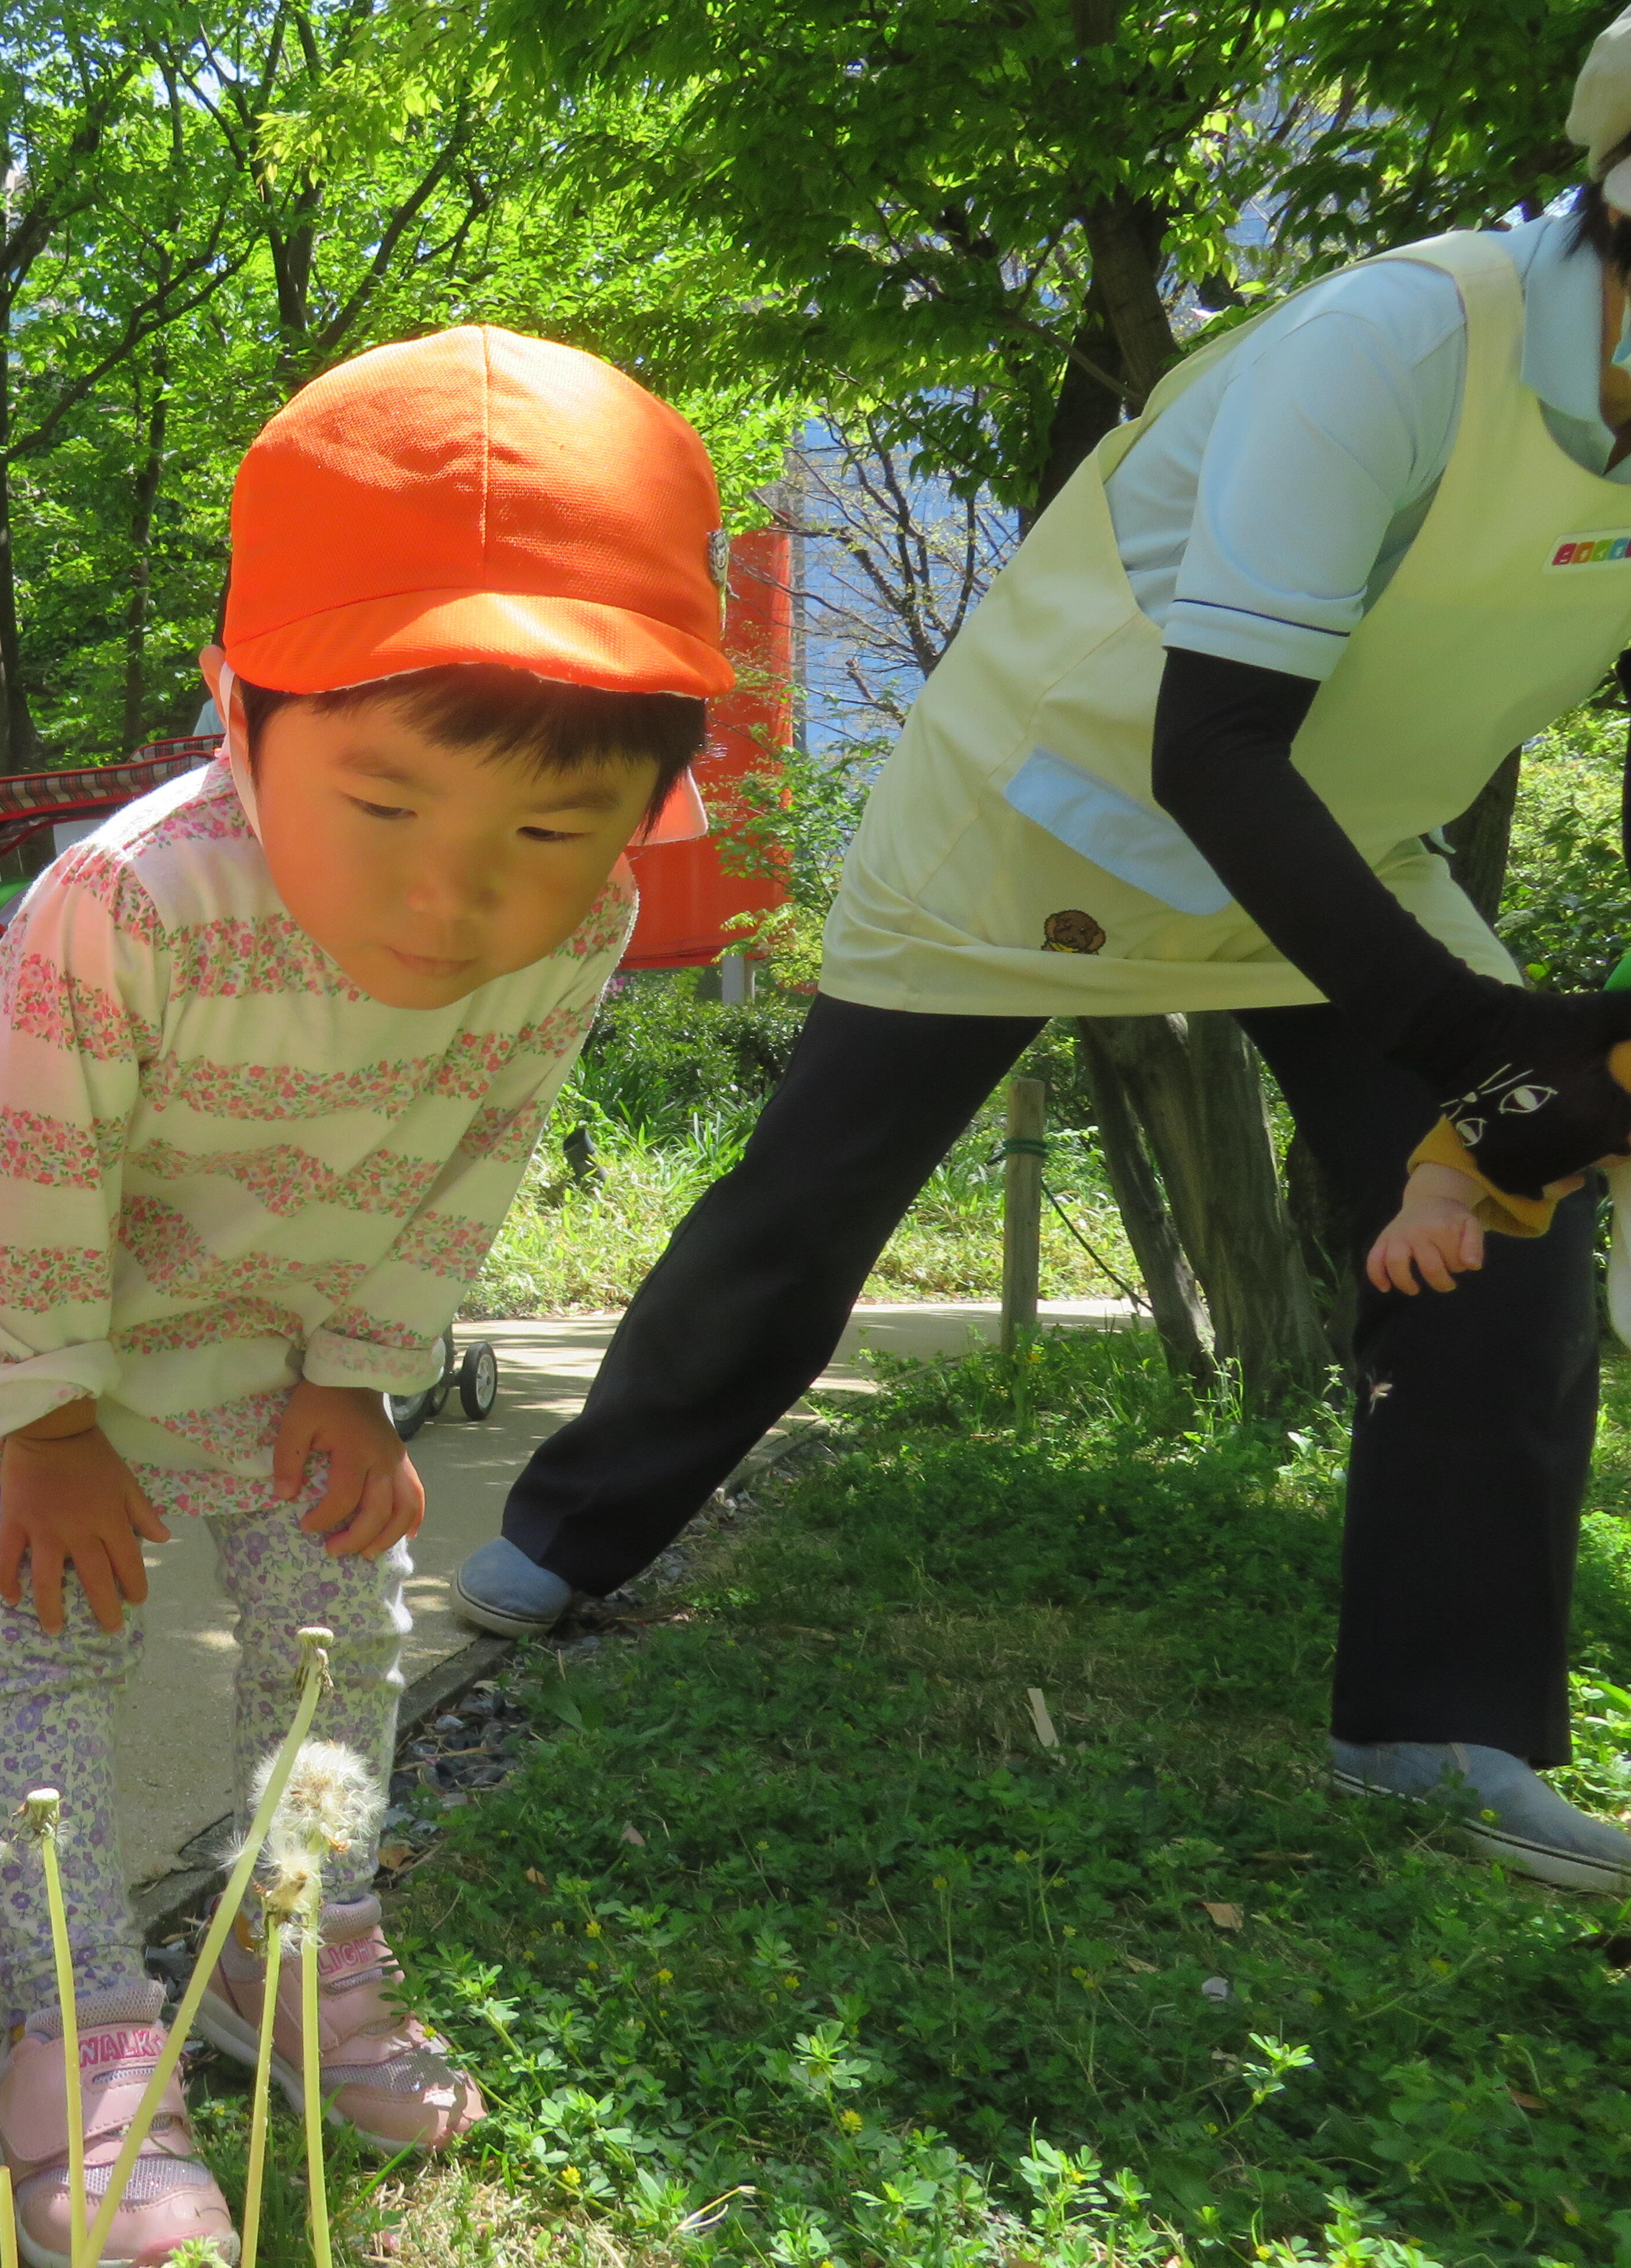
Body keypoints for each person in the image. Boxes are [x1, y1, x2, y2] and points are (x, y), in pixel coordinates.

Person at [457, 9, 1631, 1896]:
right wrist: (1475, 1033)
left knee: (1514, 1207)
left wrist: (1532, 1079)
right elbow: (1210, 744)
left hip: (1345, 840)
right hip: (1057, 797)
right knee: (812, 1196)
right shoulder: (1399, 345)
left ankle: (1434, 1725)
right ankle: (562, 1534)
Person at [0, 326, 730, 2266]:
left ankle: (294, 1948)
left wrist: (362, 1374)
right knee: (46, 1658)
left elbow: (474, 1148)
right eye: (388, 806)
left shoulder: (578, 927)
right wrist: (46, 1429)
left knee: (336, 1627)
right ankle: (81, 2040)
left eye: (539, 834)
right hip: (32, 1339)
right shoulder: (132, 903)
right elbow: (14, 1174)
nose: (453, 900)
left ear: (624, 823)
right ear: (240, 713)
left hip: (282, 1332)